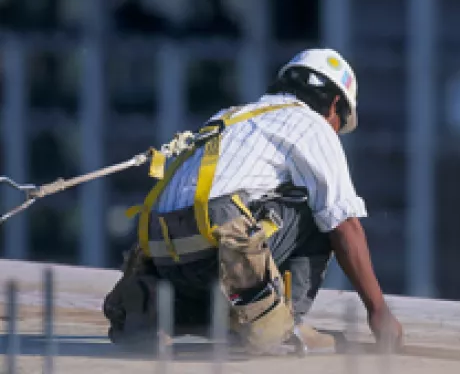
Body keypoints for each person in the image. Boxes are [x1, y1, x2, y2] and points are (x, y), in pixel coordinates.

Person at [103, 48, 403, 355]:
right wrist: (377, 310)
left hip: (164, 249)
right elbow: (344, 225)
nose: (336, 131)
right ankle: (284, 326)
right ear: (334, 105)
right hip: (217, 243)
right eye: (340, 123)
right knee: (322, 210)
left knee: (251, 216)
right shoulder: (312, 125)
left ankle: (167, 315)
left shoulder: (229, 116)